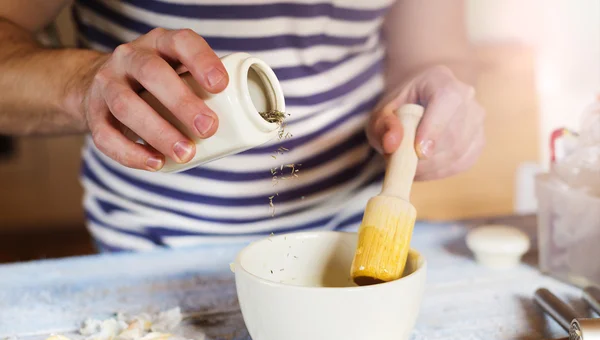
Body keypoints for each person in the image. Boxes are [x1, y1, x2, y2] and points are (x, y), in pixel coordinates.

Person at [0, 0, 485, 252]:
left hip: (346, 231)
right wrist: (83, 85)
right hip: (152, 242)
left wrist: (432, 100)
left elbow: (430, 50)